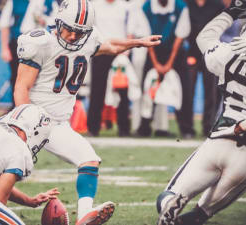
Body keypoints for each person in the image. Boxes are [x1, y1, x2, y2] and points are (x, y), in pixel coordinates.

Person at [14, 0, 161, 224]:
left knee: (89, 160)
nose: (73, 36)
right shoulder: (40, 42)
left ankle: (84, 216)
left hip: (58, 124)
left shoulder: (88, 39)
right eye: (70, 29)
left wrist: (137, 43)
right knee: (3, 171)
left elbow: (111, 46)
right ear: (59, 21)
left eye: (80, 32)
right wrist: (23, 125)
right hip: (32, 119)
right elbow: (21, 87)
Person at [155, 0, 246, 224]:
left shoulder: (229, 54)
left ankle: (171, 206)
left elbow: (203, 38)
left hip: (220, 140)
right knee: (199, 216)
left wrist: (231, 12)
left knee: (168, 197)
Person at [136, 0, 192, 138]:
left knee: (184, 90)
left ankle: (186, 129)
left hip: (176, 53)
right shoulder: (146, 7)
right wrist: (155, 64)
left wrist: (169, 64)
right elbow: (146, 38)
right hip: (153, 50)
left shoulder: (180, 7)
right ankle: (144, 127)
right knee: (148, 88)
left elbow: (180, 38)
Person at [86, 0, 133, 137]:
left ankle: (124, 129)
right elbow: (90, 30)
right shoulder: (94, 5)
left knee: (122, 91)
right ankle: (93, 128)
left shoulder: (124, 6)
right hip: (101, 51)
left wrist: (126, 51)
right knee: (97, 90)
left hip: (120, 52)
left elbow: (129, 31)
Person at [185, 0, 224, 136]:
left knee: (212, 93)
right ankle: (187, 128)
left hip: (211, 53)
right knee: (188, 91)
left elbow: (221, 29)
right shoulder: (186, 4)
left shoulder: (217, 5)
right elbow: (183, 29)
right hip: (191, 53)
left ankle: (208, 127)